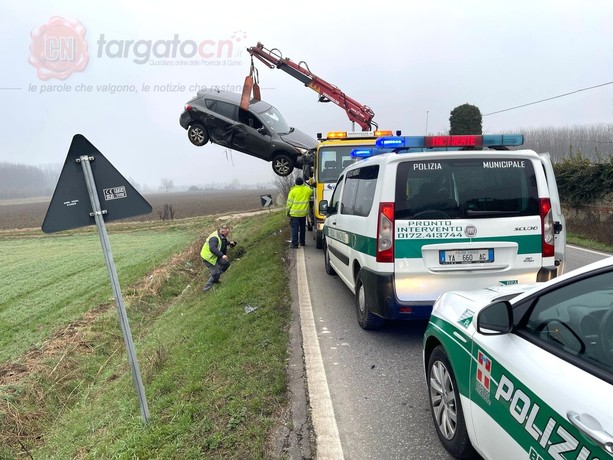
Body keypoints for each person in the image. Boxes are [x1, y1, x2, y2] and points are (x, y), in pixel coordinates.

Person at [200, 225, 236, 291]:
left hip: (215, 256)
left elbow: (223, 240)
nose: (227, 234)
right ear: (222, 231)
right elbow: (212, 248)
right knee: (215, 273)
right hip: (208, 258)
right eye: (226, 233)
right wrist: (222, 255)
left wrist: (229, 243)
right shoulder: (214, 238)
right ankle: (206, 289)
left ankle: (215, 278)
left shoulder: (221, 235)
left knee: (226, 264)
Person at [286, 176, 313, 248]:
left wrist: (287, 212)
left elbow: (289, 203)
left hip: (294, 214)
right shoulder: (307, 190)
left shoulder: (292, 191)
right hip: (303, 213)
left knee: (295, 229)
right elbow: (312, 192)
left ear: (295, 183)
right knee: (303, 229)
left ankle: (294, 244)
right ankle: (302, 242)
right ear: (302, 183)